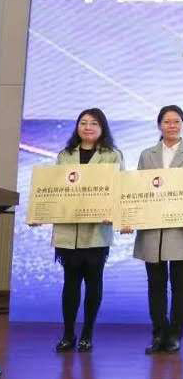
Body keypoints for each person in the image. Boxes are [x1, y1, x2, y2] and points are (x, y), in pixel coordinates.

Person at [123, 105, 183, 354]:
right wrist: (128, 217)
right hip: (152, 229)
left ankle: (175, 335)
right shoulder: (147, 155)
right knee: (155, 284)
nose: (172, 125)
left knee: (181, 285)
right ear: (159, 125)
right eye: (167, 121)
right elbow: (138, 190)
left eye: (177, 121)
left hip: (182, 228)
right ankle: (159, 333)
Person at [50, 108, 124, 353]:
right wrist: (41, 212)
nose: (88, 127)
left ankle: (87, 334)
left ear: (102, 128)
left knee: (94, 283)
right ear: (77, 127)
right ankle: (68, 334)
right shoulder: (65, 155)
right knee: (70, 283)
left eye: (94, 123)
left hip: (97, 230)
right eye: (83, 123)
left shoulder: (112, 155)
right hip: (68, 230)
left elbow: (119, 190)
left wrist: (114, 213)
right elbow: (53, 190)